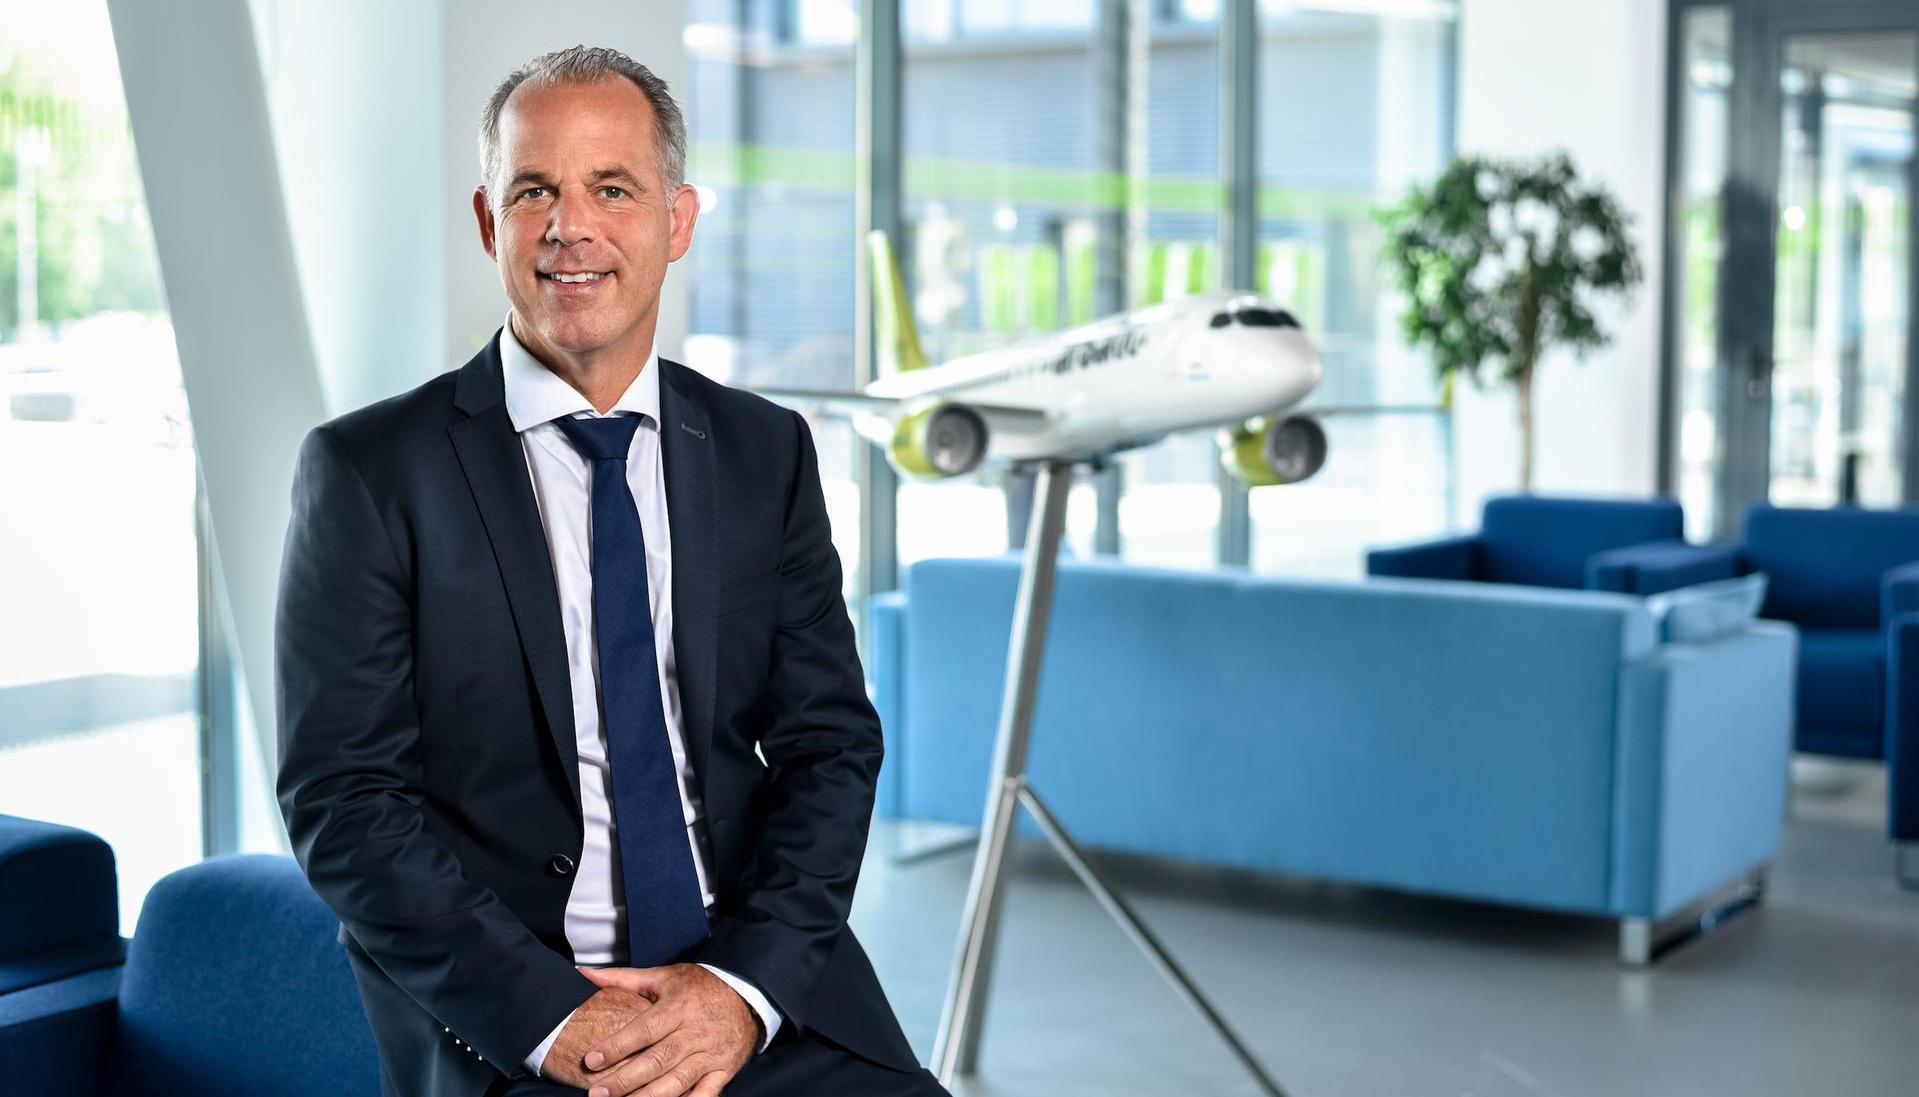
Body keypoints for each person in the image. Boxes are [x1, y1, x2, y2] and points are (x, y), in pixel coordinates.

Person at [276, 45, 947, 1097]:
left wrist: (742, 989)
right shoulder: (371, 471)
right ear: (489, 222)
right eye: (533, 190)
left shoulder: (762, 450)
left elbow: (828, 744)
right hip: (523, 1027)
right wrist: (553, 1018)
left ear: (677, 221)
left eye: (612, 189)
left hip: (752, 998)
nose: (568, 226)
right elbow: (344, 801)